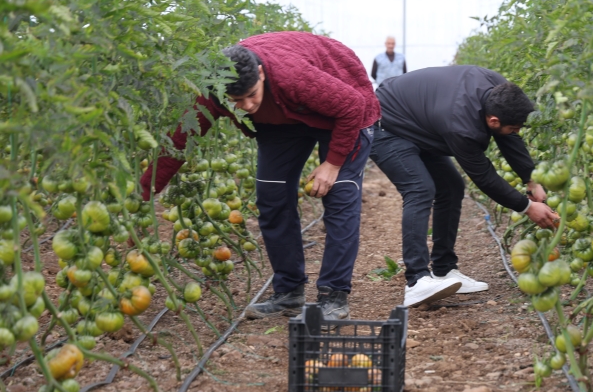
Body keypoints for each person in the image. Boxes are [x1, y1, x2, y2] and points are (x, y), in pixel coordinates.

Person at [140, 32, 380, 321]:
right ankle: (289, 293)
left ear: (261, 74)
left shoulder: (294, 76)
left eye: (251, 95)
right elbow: (182, 138)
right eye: (236, 101)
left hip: (342, 109)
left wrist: (332, 163)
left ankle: (334, 296)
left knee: (339, 195)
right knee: (272, 195)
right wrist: (144, 191)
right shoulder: (215, 89)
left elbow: (351, 105)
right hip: (282, 121)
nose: (247, 106)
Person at [369, 65, 558, 307]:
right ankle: (416, 281)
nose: (516, 131)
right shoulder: (461, 125)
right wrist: (526, 207)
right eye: (514, 127)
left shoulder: (499, 89)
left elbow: (509, 135)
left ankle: (443, 270)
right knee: (420, 188)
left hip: (419, 124)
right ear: (493, 120)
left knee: (451, 187)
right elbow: (484, 177)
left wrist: (531, 180)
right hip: (385, 125)